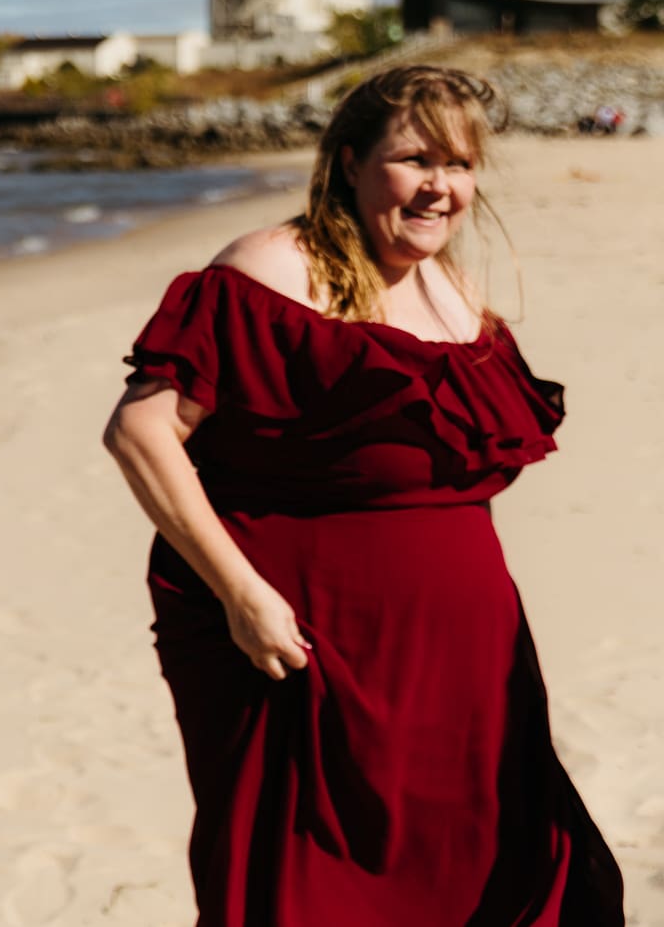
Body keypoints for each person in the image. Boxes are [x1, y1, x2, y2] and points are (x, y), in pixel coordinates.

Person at [103, 64, 623, 925]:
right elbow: (141, 431)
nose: (440, 187)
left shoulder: (454, 292)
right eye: (415, 159)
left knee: (492, 862)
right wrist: (244, 597)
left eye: (458, 165)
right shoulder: (273, 268)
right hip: (303, 641)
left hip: (464, 652)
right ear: (349, 162)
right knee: (309, 878)